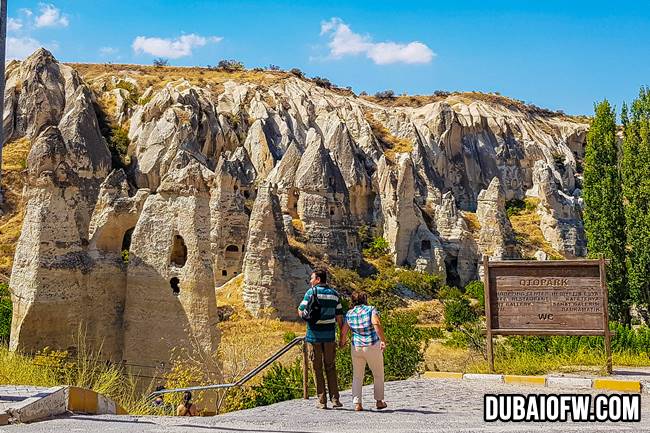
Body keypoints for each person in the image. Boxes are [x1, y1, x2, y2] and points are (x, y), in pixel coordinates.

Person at [298, 268, 344, 409]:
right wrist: (342, 336)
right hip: (330, 336)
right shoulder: (335, 294)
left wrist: (303, 315)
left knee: (316, 368)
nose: (310, 281)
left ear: (318, 279)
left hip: (314, 336)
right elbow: (339, 317)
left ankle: (322, 401)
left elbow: (301, 310)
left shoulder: (311, 292)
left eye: (312, 278)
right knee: (330, 367)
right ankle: (335, 399)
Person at [339, 291, 387, 412]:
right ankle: (379, 401)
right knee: (378, 374)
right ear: (365, 299)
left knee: (357, 376)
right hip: (371, 344)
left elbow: (344, 331)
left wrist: (342, 342)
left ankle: (357, 403)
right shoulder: (371, 309)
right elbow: (376, 323)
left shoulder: (349, 313)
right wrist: (383, 340)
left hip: (356, 347)